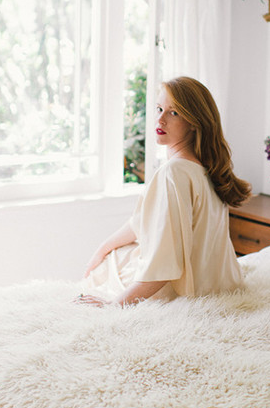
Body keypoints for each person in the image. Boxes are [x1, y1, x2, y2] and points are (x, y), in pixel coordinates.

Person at [75, 76, 251, 307]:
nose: (160, 119)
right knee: (119, 253)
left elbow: (164, 265)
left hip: (183, 292)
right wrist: (104, 248)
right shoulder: (207, 168)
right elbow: (143, 222)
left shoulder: (175, 172)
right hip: (218, 285)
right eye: (159, 109)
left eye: (173, 113)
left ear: (194, 122)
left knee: (110, 266)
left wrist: (113, 305)